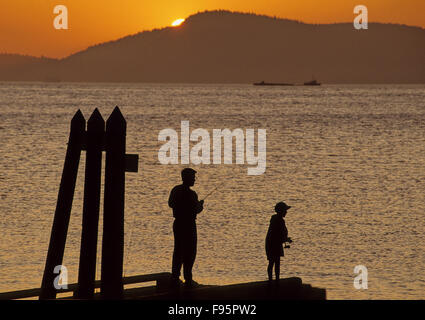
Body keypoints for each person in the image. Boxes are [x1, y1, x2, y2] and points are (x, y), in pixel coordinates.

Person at [168, 168, 204, 287]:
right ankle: (188, 278)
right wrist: (200, 206)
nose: (194, 179)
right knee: (190, 251)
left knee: (178, 250)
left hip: (178, 223)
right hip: (188, 225)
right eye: (193, 177)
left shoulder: (176, 190)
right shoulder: (192, 194)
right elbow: (196, 210)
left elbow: (170, 204)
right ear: (186, 178)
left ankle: (175, 277)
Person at [265, 201, 292, 281]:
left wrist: (285, 239)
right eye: (285, 210)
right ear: (281, 211)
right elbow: (277, 235)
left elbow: (277, 234)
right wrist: (286, 239)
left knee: (273, 262)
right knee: (275, 262)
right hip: (274, 245)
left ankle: (273, 280)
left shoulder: (275, 219)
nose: (286, 212)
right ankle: (275, 281)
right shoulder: (279, 221)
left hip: (271, 244)